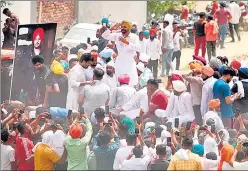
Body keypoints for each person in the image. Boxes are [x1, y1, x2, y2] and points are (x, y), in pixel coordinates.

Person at [102, 20, 139, 86]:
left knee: (130, 82)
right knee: (118, 81)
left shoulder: (134, 37)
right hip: (120, 62)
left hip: (129, 63)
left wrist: (126, 42)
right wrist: (112, 28)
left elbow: (138, 48)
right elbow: (104, 36)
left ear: (129, 28)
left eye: (125, 27)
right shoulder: (117, 35)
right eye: (121, 27)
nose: (122, 28)